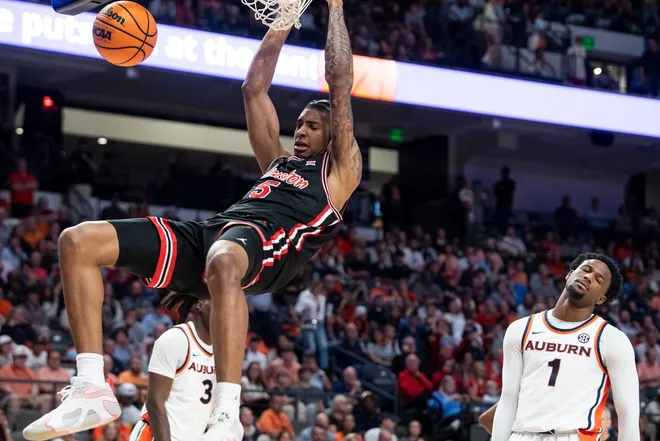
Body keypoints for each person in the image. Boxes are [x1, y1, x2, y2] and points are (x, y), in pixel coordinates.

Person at [23, 0, 360, 439]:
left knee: (223, 257)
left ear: (334, 134)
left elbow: (339, 84)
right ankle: (91, 386)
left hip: (265, 251)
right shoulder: (276, 163)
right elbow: (254, 89)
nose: (300, 131)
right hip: (216, 235)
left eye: (313, 126)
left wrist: (334, 8)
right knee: (77, 240)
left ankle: (226, 413)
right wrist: (286, 15)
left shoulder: (339, 172)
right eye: (298, 123)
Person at [491, 252, 640, 441]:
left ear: (601, 299)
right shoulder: (520, 329)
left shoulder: (612, 339)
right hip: (522, 435)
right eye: (586, 270)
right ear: (569, 274)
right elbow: (508, 399)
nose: (588, 276)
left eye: (598, 279)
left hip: (572, 436)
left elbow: (628, 413)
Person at [128, 293, 215, 441]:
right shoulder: (176, 339)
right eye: (218, 303)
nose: (225, 310)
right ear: (200, 305)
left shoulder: (224, 350)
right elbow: (155, 402)